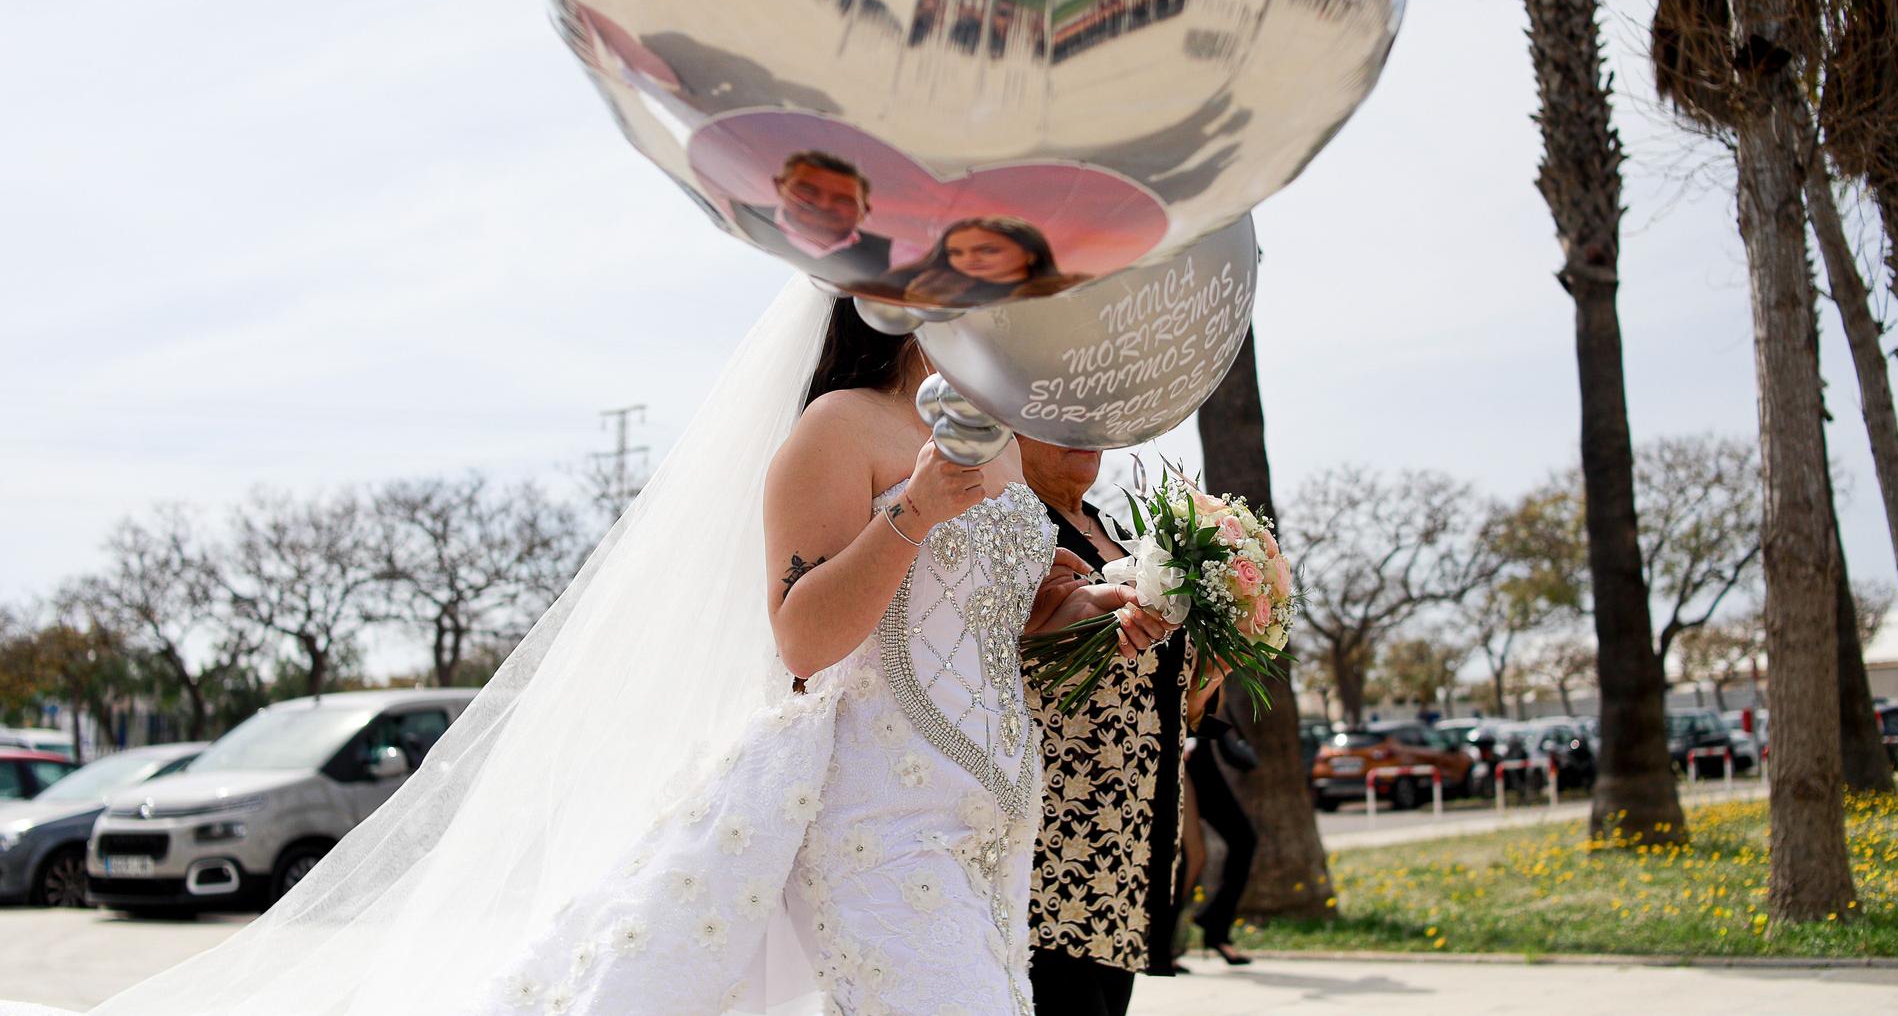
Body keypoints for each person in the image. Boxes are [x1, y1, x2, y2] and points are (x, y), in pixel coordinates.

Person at [0, 284, 1156, 1016]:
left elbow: (981, 627)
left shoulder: (1002, 451)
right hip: (875, 817)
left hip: (998, 821)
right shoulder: (837, 432)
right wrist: (911, 507)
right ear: (895, 296)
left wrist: (1089, 609)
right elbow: (803, 636)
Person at [1020, 440, 1216, 1016]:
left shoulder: (1122, 533)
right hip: (1055, 848)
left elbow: (1173, 701)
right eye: (1058, 422)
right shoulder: (1014, 530)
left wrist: (1207, 680)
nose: (1085, 437)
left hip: (1128, 847)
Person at [731, 150, 894, 286]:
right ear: (780, 186)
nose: (824, 205)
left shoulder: (893, 255)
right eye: (807, 191)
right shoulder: (735, 217)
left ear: (864, 211)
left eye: (843, 200)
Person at [1186, 701, 1259, 966]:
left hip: (1201, 763)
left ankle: (1215, 926)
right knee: (1185, 858)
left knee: (1243, 841)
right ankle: (1163, 946)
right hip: (1183, 766)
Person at [889, 216, 1090, 307]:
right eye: (956, 252)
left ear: (1031, 253)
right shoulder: (930, 289)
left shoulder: (1070, 291)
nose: (969, 260)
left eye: (988, 250)